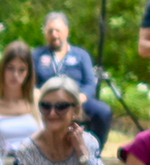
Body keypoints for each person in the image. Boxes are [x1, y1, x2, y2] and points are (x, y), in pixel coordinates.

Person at [35, 11, 112, 147]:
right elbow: (30, 84)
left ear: (67, 31)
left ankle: (94, 150)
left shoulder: (81, 55)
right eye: (50, 31)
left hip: (76, 101)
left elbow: (90, 84)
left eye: (57, 30)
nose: (54, 35)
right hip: (47, 103)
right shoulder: (37, 55)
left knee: (103, 112)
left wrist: (79, 99)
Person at [0, 41, 41, 159]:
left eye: (22, 70)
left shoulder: (38, 99)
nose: (15, 75)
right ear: (2, 69)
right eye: (10, 68)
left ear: (29, 73)